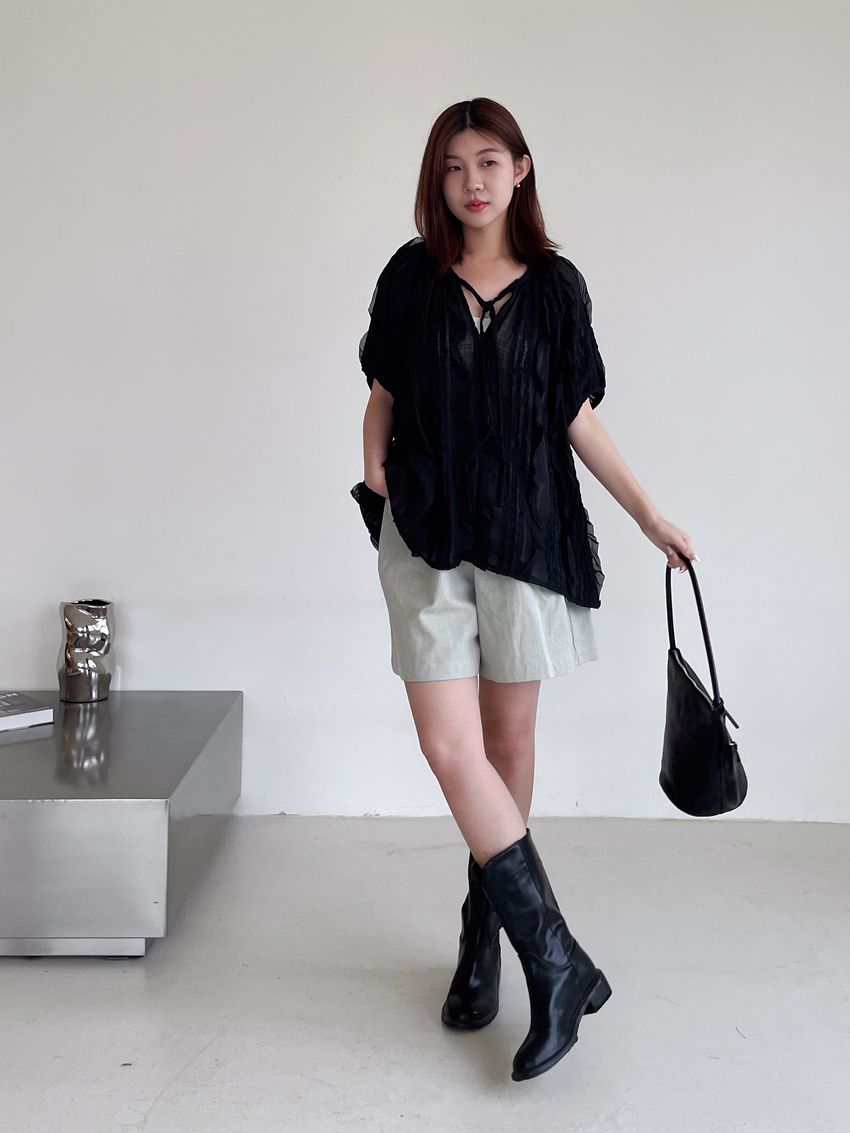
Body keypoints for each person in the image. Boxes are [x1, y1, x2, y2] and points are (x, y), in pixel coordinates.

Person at [350, 97, 698, 1082]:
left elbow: (575, 415)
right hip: (425, 534)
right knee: (448, 744)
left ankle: (483, 945)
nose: (472, 180)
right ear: (438, 178)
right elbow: (381, 392)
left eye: (489, 161)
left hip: (525, 534)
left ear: (521, 169)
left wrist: (648, 514)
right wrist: (374, 469)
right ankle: (557, 957)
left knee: (504, 749)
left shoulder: (554, 287)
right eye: (454, 164)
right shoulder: (411, 276)